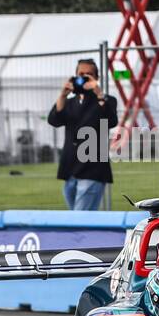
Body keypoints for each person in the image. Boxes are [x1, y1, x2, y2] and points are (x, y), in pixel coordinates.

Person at [47, 58, 117, 211]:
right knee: (79, 220)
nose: (84, 77)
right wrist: (63, 96)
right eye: (81, 74)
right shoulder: (70, 103)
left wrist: (99, 93)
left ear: (96, 78)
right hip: (70, 168)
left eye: (89, 75)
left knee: (79, 218)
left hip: (92, 168)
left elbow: (111, 120)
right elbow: (54, 120)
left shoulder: (106, 100)